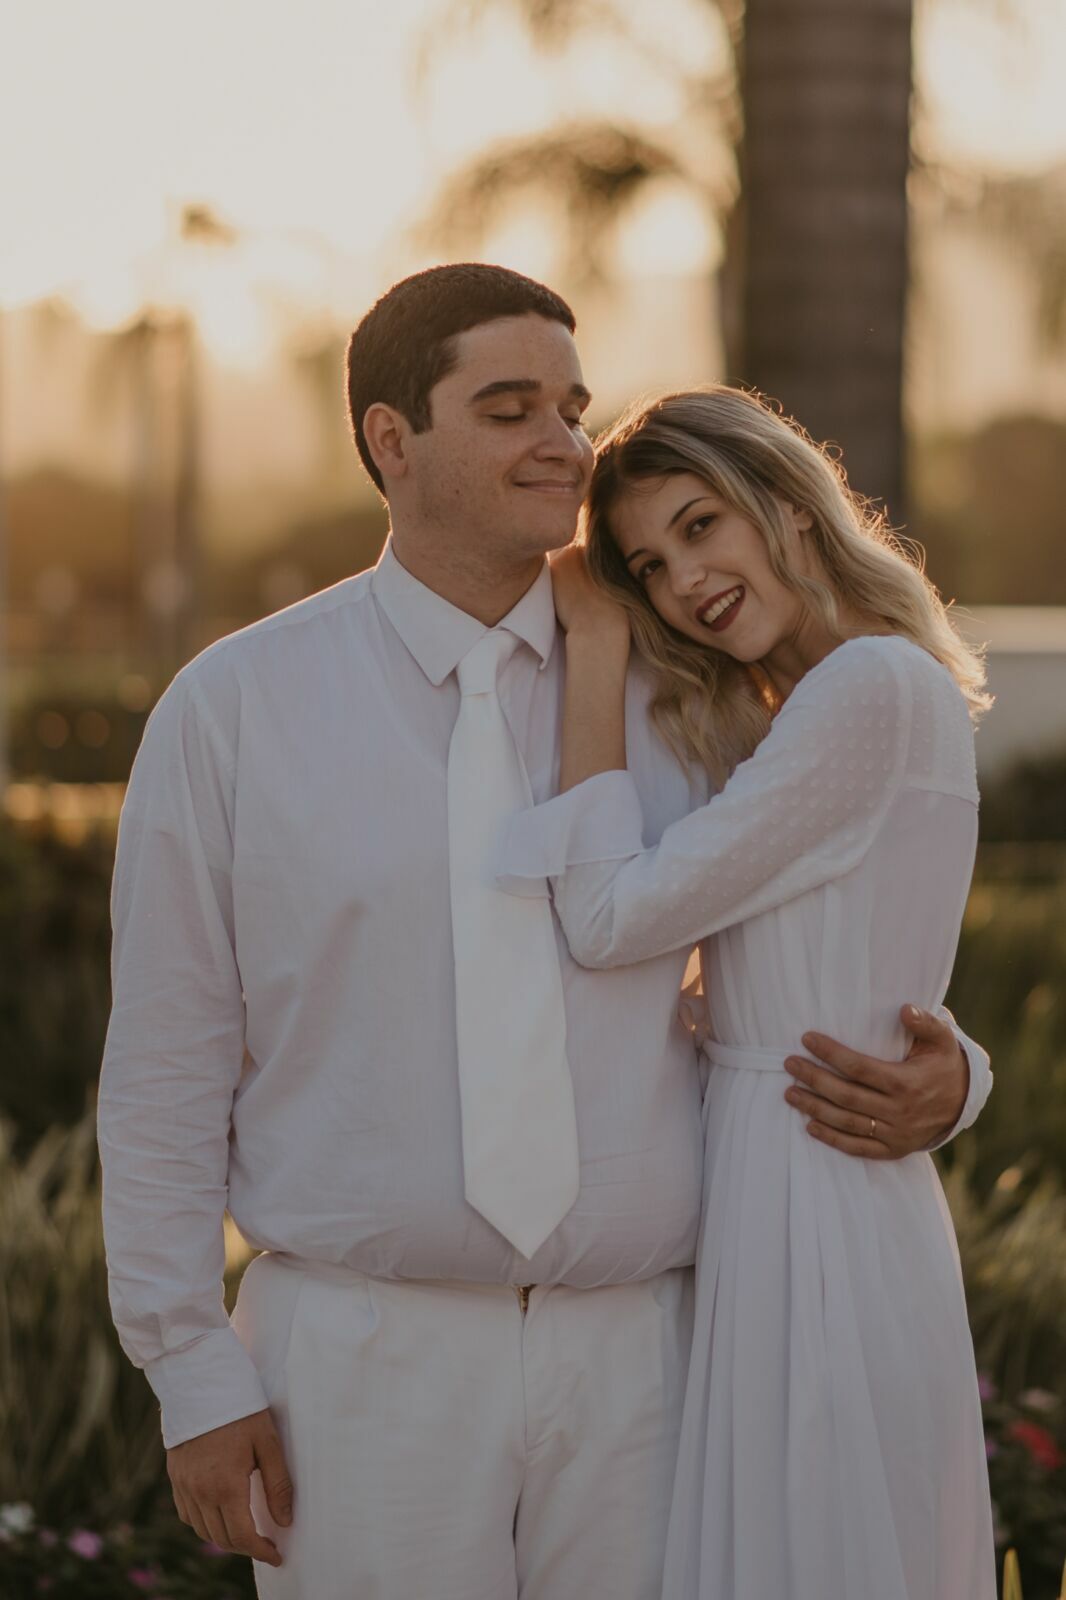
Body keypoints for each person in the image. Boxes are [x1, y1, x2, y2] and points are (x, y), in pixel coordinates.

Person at [98, 267, 991, 1600]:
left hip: (657, 1362)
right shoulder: (232, 711)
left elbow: (829, 927)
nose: (564, 442)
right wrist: (188, 1368)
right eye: (509, 407)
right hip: (360, 1363)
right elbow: (168, 1060)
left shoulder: (706, 689)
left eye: (570, 405)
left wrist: (949, 1075)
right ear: (392, 441)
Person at [495, 385, 997, 1599]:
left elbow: (611, 920)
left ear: (786, 503)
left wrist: (598, 649)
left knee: (806, 1543)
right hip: (806, 1174)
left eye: (700, 525)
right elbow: (874, 959)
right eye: (647, 566)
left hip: (808, 1186)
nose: (682, 581)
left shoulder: (864, 692)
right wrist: (963, 1074)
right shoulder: (830, 698)